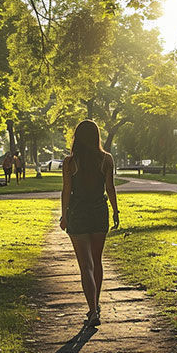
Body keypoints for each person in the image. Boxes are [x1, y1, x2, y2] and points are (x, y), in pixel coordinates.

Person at [60, 120, 120, 327]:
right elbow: (110, 188)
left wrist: (64, 215)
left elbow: (66, 190)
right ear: (96, 136)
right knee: (97, 261)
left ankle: (93, 310)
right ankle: (96, 304)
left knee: (85, 265)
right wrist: (115, 211)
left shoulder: (70, 162)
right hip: (99, 212)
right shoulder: (106, 159)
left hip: (78, 213)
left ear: (77, 137)